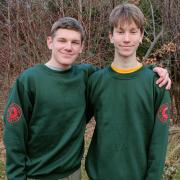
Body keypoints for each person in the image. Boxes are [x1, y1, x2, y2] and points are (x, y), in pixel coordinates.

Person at [3, 17, 170, 180]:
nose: (68, 47)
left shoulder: (86, 76)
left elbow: (125, 74)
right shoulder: (29, 80)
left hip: (73, 172)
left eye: (75, 42)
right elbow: (14, 135)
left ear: (81, 47)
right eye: (62, 40)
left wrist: (153, 70)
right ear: (50, 42)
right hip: (37, 173)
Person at [85, 3, 171, 180]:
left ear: (141, 37)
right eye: (120, 31)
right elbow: (73, 123)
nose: (126, 38)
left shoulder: (157, 83)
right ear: (111, 36)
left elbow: (159, 141)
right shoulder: (96, 80)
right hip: (100, 175)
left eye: (133, 32)